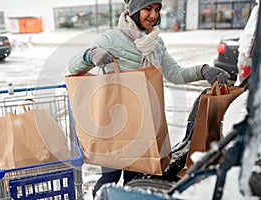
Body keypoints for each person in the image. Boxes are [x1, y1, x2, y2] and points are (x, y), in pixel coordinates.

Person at [67, 0, 230, 196]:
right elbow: (73, 66)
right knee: (109, 178)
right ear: (134, 10)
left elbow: (175, 74)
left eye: (157, 10)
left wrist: (203, 71)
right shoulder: (111, 39)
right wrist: (90, 55)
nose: (153, 15)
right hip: (114, 125)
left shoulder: (156, 43)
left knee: (135, 180)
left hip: (143, 124)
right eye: (148, 9)